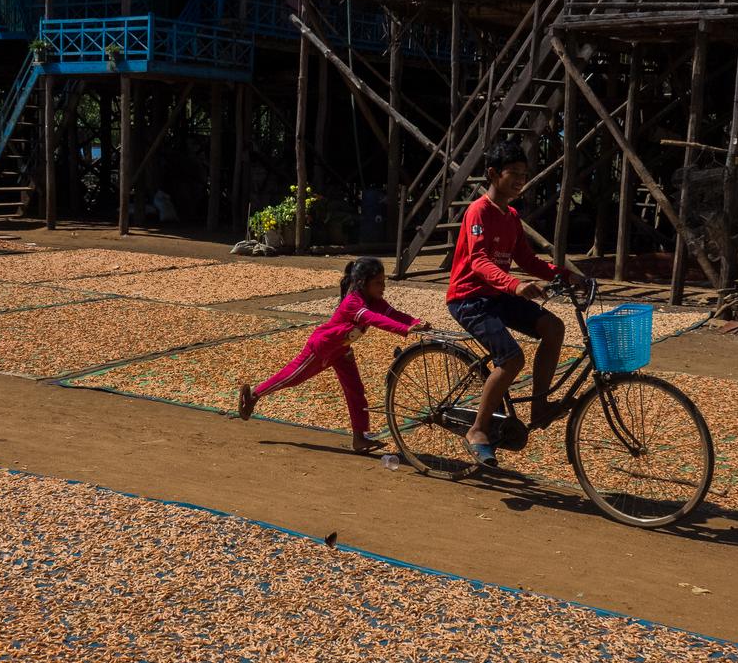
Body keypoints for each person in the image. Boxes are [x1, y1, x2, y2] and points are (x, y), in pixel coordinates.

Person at [447, 137, 589, 465]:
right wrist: (515, 285)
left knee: (553, 327)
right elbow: (478, 261)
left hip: (498, 295)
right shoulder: (477, 212)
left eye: (524, 174)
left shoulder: (510, 215)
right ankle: (478, 429)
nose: (520, 180)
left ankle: (539, 407)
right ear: (494, 174)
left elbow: (527, 259)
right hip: (469, 299)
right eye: (514, 173)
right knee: (511, 359)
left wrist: (567, 276)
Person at [239, 257, 428, 453]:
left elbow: (393, 313)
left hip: (342, 350)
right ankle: (254, 394)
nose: (383, 287)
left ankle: (359, 437)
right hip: (322, 349)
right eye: (378, 283)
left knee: (355, 390)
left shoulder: (374, 301)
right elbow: (376, 319)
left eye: (383, 281)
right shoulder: (353, 303)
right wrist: (406, 329)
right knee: (292, 377)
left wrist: (415, 322)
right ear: (363, 283)